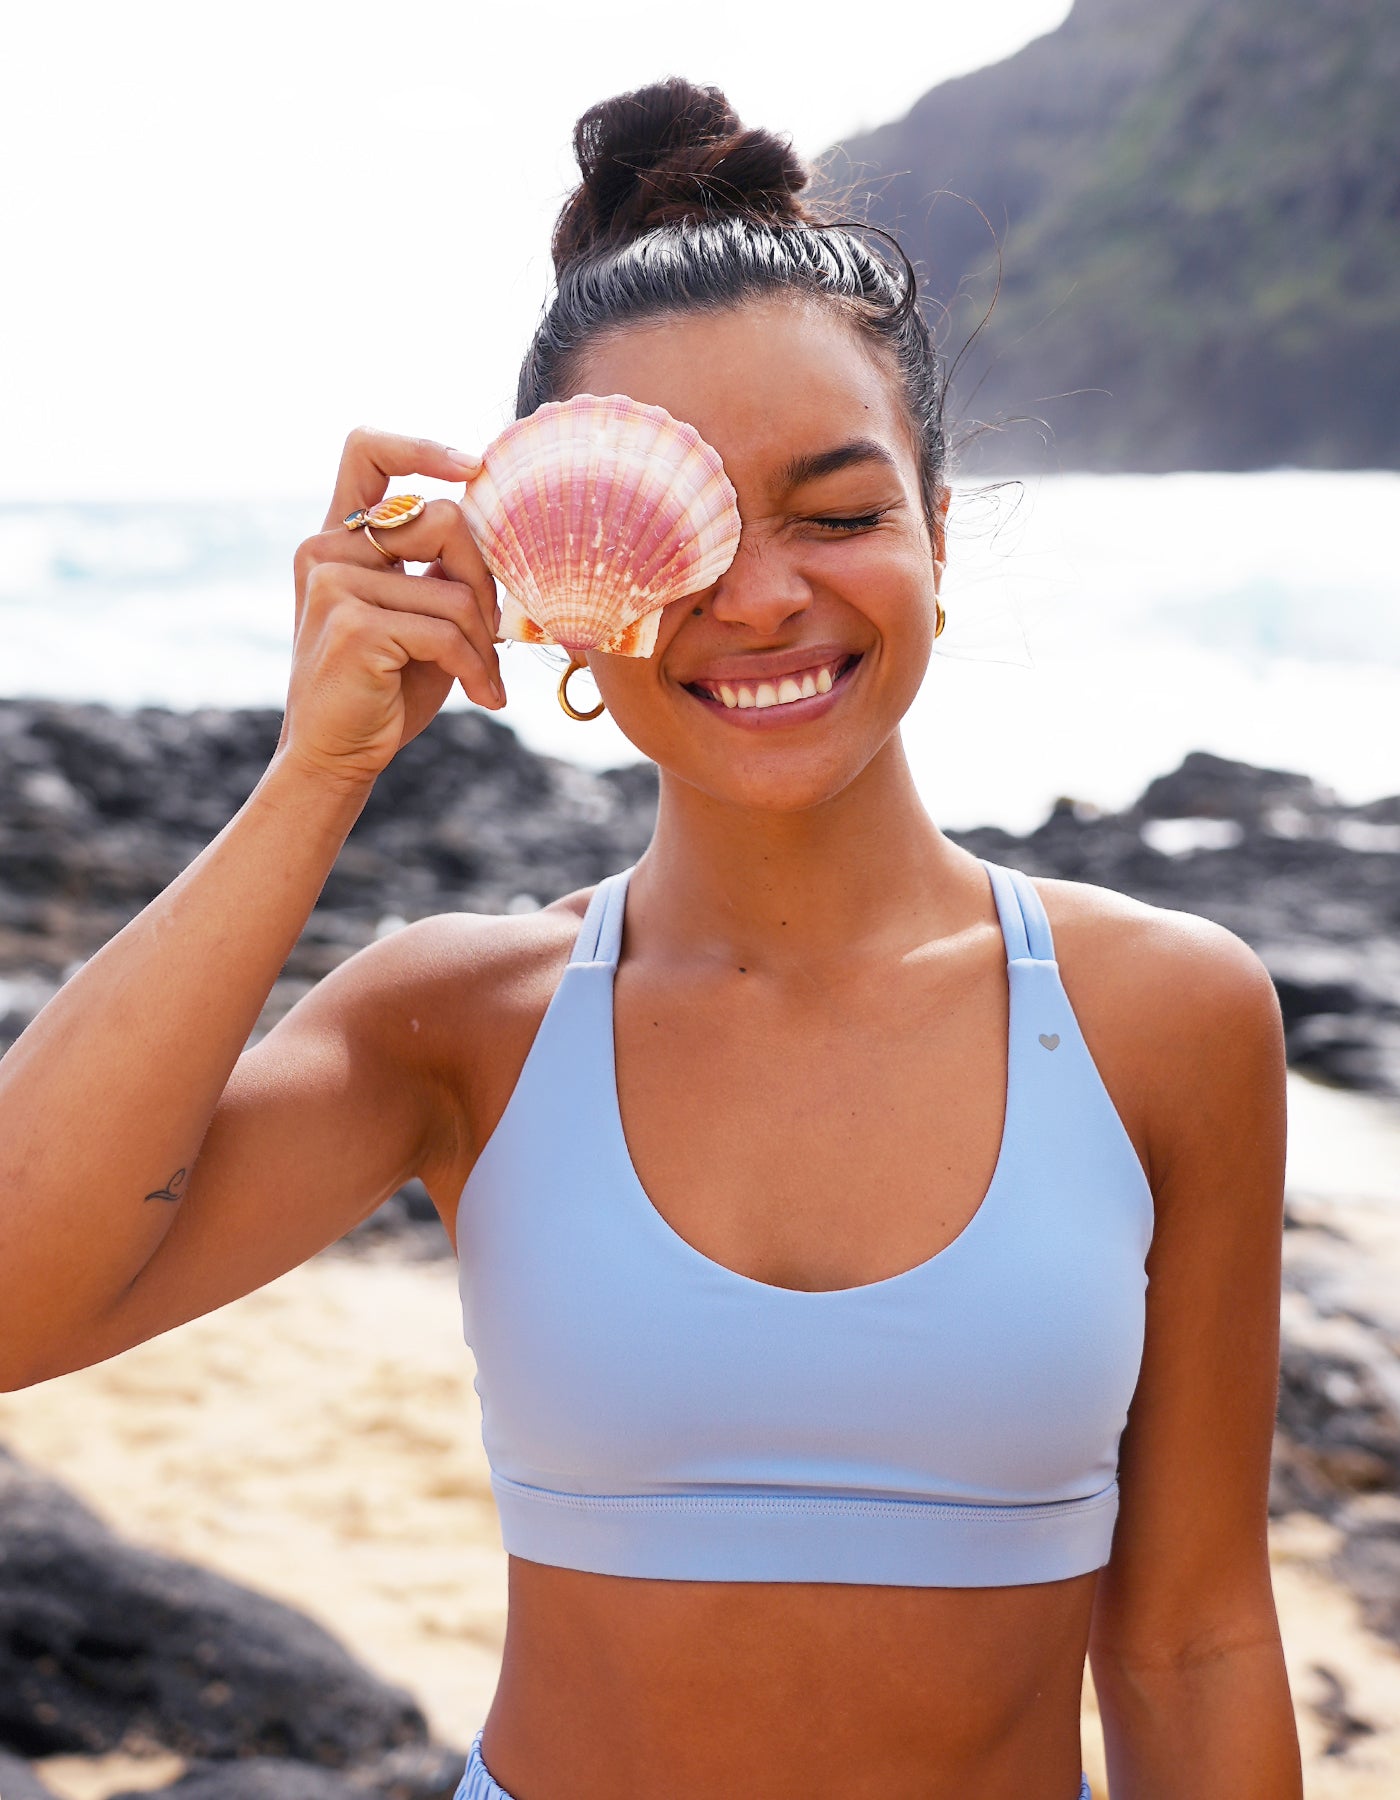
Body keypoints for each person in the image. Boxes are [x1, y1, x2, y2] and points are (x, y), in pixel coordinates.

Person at [0, 77, 1303, 1800]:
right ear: (554, 576)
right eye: (684, 537)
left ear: (936, 538)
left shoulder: (1165, 1017)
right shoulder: (466, 1025)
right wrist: (320, 771)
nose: (763, 598)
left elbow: (1194, 1639)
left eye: (840, 512)